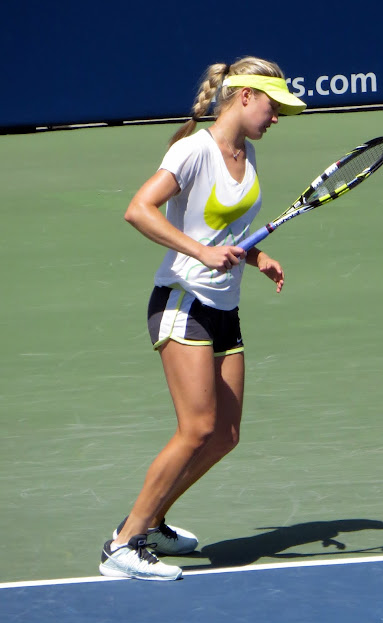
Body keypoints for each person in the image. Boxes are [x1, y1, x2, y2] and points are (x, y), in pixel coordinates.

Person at [99, 56, 306, 580]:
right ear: (244, 97)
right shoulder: (194, 150)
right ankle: (123, 545)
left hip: (224, 307)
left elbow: (227, 233)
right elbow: (138, 209)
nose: (277, 117)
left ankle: (153, 516)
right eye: (273, 105)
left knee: (224, 435)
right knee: (196, 428)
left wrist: (256, 258)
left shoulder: (249, 153)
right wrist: (198, 251)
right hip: (182, 301)